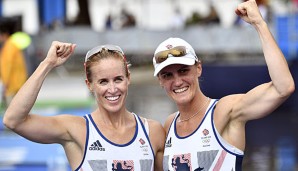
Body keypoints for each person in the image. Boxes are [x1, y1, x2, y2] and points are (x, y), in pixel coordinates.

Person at [152, 0, 295, 170]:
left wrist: (259, 24)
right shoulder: (169, 125)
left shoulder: (224, 111)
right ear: (160, 81)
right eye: (168, 75)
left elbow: (283, 88)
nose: (177, 81)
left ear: (198, 68)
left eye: (183, 71)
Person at [3, 41, 165, 170]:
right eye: (103, 81)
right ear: (89, 85)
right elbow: (13, 120)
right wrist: (47, 64)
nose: (113, 89)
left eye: (118, 79)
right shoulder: (76, 129)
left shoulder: (153, 132)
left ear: (128, 78)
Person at [0, 18, 28, 107]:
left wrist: (5, 85)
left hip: (13, 87)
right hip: (17, 85)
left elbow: (7, 67)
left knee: (12, 117)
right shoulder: (11, 45)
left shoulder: (9, 46)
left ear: (4, 34)